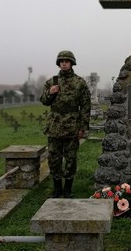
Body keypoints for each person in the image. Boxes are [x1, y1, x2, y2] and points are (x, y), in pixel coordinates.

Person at [40, 50, 91, 198]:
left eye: (66, 61)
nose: (64, 63)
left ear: (71, 63)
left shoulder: (79, 83)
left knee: (70, 158)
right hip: (55, 126)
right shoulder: (52, 81)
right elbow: (44, 101)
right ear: (59, 63)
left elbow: (86, 106)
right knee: (54, 158)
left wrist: (83, 127)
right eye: (61, 61)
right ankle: (57, 189)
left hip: (72, 125)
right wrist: (51, 92)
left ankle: (68, 189)